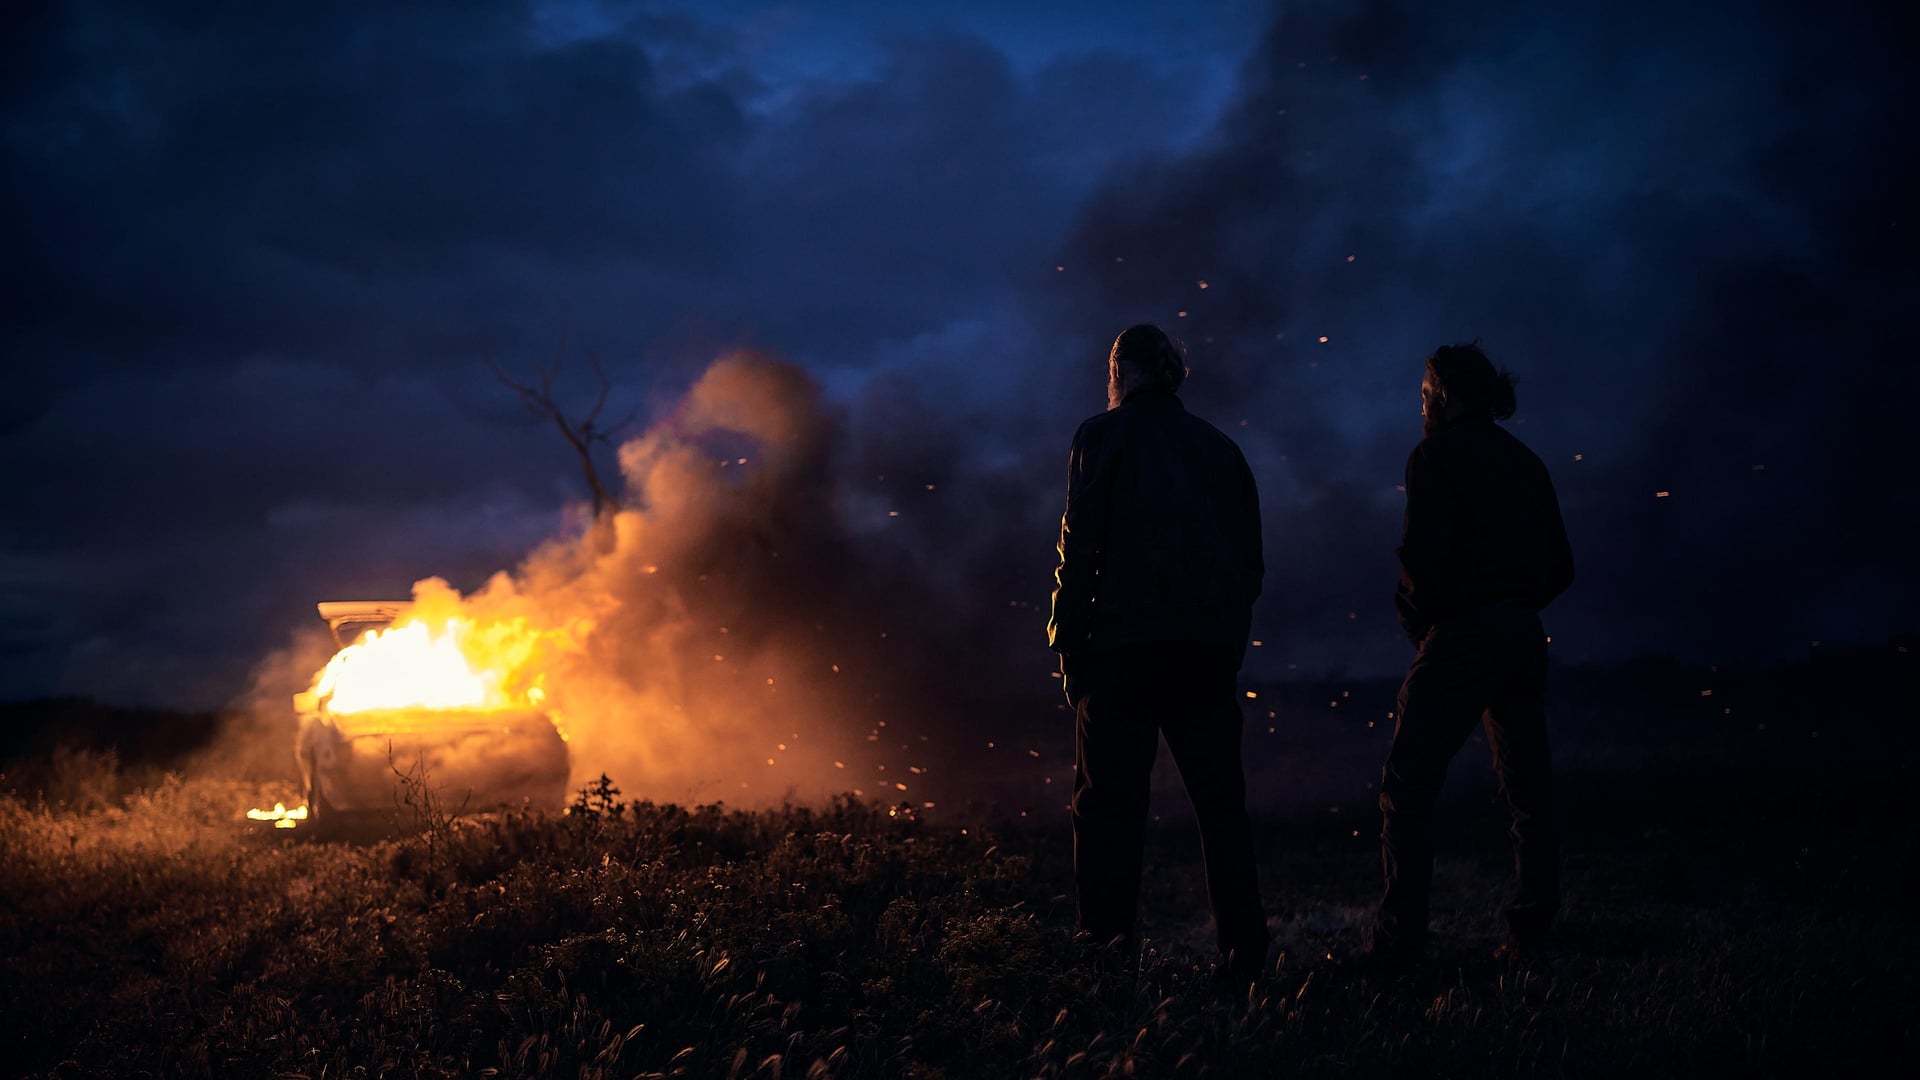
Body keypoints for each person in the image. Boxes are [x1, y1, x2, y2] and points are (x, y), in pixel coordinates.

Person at [1048, 323, 1268, 986]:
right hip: (1203, 654)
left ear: (1120, 371)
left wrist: (1069, 647)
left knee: (1108, 812)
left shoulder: (1100, 435)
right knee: (1222, 810)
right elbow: (1249, 566)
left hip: (1122, 653)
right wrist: (1225, 644)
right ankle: (1247, 962)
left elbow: (1079, 550)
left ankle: (1105, 963)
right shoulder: (1221, 449)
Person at [1369, 342, 1576, 970]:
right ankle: (1533, 930)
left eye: (1424, 395)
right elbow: (1561, 565)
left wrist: (1428, 627)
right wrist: (1516, 605)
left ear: (1445, 395)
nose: (1421, 407)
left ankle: (1400, 945)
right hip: (1522, 634)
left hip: (1464, 634)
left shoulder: (1435, 456)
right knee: (1527, 787)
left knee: (1407, 783)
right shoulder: (1526, 461)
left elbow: (1422, 560)